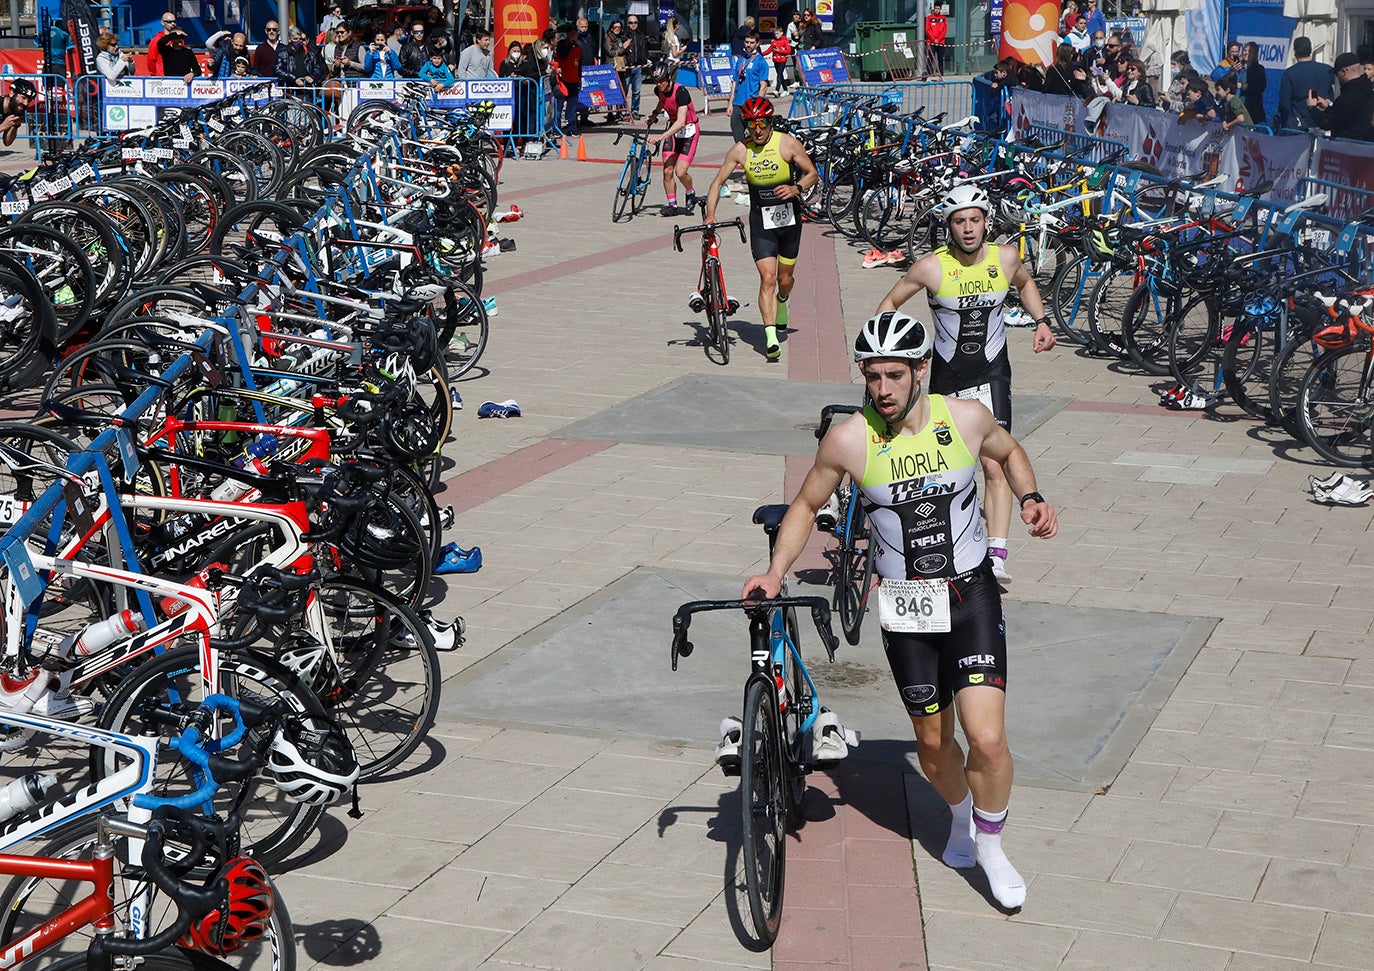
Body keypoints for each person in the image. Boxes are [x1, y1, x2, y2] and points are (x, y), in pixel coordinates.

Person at [741, 309, 1058, 912]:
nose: (881, 390)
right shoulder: (849, 439)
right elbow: (806, 506)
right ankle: (961, 817)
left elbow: (1010, 452)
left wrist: (1032, 497)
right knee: (936, 748)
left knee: (986, 739)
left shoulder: (965, 419)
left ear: (921, 370)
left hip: (970, 594)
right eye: (871, 376)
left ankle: (991, 848)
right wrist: (775, 572)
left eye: (893, 375)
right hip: (908, 606)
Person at [875, 184, 1056, 583]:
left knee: (994, 460)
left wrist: (1041, 321)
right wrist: (895, 350)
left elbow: (1025, 283)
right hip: (947, 375)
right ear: (949, 226)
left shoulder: (1006, 258)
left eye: (975, 220)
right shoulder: (931, 267)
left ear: (987, 222)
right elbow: (888, 304)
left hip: (992, 373)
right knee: (952, 465)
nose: (968, 228)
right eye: (960, 221)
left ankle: (996, 554)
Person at [703, 96, 819, 362]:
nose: (757, 130)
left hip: (789, 221)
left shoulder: (787, 143)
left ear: (770, 122)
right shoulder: (740, 150)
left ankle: (782, 301)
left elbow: (812, 173)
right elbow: (717, 182)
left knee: (784, 280)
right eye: (751, 124)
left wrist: (796, 188)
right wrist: (711, 214)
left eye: (762, 124)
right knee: (767, 277)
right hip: (760, 222)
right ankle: (770, 338)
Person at [646, 65, 700, 216]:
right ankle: (672, 205)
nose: (659, 85)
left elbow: (681, 121)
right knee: (667, 171)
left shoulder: (681, 92)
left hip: (689, 131)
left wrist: (661, 137)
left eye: (661, 81)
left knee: (681, 172)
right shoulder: (658, 90)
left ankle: (690, 192)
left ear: (668, 78)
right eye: (656, 81)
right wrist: (654, 115)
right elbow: (662, 101)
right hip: (673, 130)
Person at [1308, 52, 1374, 140]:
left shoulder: (1346, 98)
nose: (1337, 77)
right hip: (1365, 148)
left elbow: (1328, 124)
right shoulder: (1368, 92)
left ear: (1344, 71)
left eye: (1337, 73)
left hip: (1345, 148)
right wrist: (1328, 108)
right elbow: (1346, 116)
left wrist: (1312, 108)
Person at [1275, 37, 1332, 131]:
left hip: (1298, 126)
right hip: (1322, 124)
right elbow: (1331, 96)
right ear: (1310, 50)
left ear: (1294, 52)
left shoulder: (1289, 73)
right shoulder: (1327, 70)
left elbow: (1284, 104)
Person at [728, 31, 771, 143]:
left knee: (753, 134)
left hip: (751, 104)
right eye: (746, 42)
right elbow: (734, 82)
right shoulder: (741, 59)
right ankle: (741, 154)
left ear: (757, 44)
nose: (748, 45)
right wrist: (730, 103)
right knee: (736, 131)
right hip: (738, 103)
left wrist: (758, 105)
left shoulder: (760, 62)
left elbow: (764, 85)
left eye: (752, 42)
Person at [551, 28, 581, 135]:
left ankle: (572, 127)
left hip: (574, 80)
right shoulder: (561, 46)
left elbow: (579, 65)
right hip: (562, 80)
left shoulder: (578, 47)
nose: (575, 36)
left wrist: (579, 78)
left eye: (575, 34)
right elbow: (563, 55)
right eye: (572, 34)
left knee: (572, 107)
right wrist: (569, 42)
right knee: (558, 106)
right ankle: (556, 128)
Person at [0, 78, 33, 147]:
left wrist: (15, 125)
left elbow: (7, 142)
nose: (26, 103)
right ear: (12, 93)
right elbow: (3, 126)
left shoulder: (15, 109)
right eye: (23, 98)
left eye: (29, 100)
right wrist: (3, 126)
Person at [1241, 41, 1267, 123]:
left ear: (1255, 54)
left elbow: (1260, 87)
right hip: (1238, 108)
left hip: (1252, 109)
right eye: (1245, 50)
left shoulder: (1259, 69)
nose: (1246, 53)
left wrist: (1242, 86)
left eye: (1250, 51)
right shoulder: (1238, 68)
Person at [765, 25, 792, 91]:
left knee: (779, 74)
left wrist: (779, 51)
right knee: (780, 75)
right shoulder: (773, 41)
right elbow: (769, 50)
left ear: (781, 33)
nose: (776, 35)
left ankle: (777, 90)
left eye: (777, 33)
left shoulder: (785, 41)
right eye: (775, 34)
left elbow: (788, 51)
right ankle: (785, 90)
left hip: (782, 60)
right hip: (775, 60)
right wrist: (760, 54)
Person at [925, 3, 948, 74]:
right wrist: (933, 39)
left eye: (938, 9)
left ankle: (941, 74)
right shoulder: (929, 18)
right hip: (931, 42)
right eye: (936, 9)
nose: (937, 10)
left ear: (940, 9)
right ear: (934, 9)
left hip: (941, 42)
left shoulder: (943, 18)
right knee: (930, 59)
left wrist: (939, 39)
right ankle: (929, 74)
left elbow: (945, 30)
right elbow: (927, 30)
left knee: (940, 59)